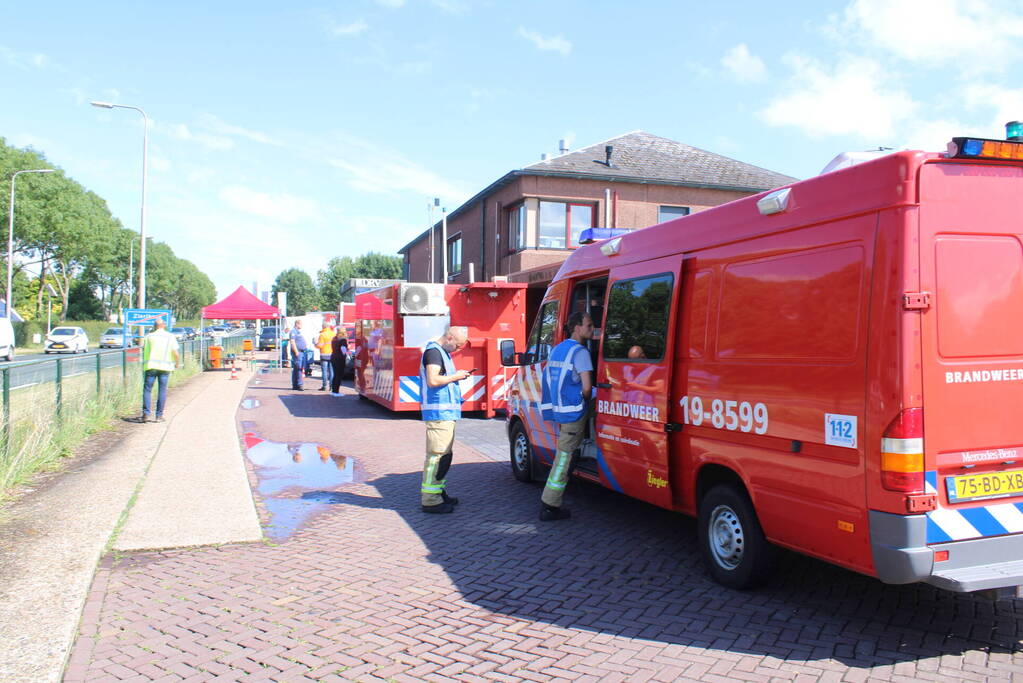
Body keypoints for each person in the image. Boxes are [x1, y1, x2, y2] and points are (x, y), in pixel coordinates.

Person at [538, 311, 594, 521]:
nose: (592, 329)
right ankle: (550, 504)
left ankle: (550, 501)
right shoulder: (580, 352)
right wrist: (585, 399)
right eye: (588, 325)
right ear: (577, 327)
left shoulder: (558, 349)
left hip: (561, 410)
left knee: (564, 454)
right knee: (564, 457)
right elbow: (587, 388)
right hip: (575, 412)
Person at [419, 325, 471, 514]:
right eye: (457, 345)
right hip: (439, 414)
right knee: (437, 457)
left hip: (444, 413)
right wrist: (456, 376)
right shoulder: (434, 353)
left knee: (444, 456)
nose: (458, 350)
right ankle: (431, 500)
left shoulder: (440, 353)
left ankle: (438, 493)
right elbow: (433, 380)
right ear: (449, 337)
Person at [139, 319, 180, 423]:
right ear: (164, 325)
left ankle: (146, 414)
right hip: (165, 367)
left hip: (150, 366)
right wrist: (177, 362)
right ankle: (159, 416)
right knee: (162, 391)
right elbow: (175, 352)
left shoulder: (148, 337)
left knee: (147, 390)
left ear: (154, 326)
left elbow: (144, 350)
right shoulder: (170, 337)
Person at [289, 320, 308, 390]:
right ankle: (300, 384)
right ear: (297, 324)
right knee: (299, 368)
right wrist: (296, 351)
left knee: (296, 369)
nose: (302, 326)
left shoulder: (297, 332)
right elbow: (292, 342)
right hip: (298, 352)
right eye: (301, 324)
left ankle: (295, 384)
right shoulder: (293, 331)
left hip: (301, 352)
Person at [330, 327, 349, 396]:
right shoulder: (343, 340)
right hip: (339, 358)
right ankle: (336, 391)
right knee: (339, 375)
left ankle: (333, 391)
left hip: (333, 357)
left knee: (335, 374)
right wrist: (347, 352)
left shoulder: (334, 338)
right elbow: (343, 350)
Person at [317, 323, 334, 391]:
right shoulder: (333, 334)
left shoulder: (322, 335)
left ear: (323, 327)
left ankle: (324, 386)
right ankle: (332, 386)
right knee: (331, 371)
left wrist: (315, 344)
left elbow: (320, 345)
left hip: (324, 355)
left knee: (324, 371)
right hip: (332, 354)